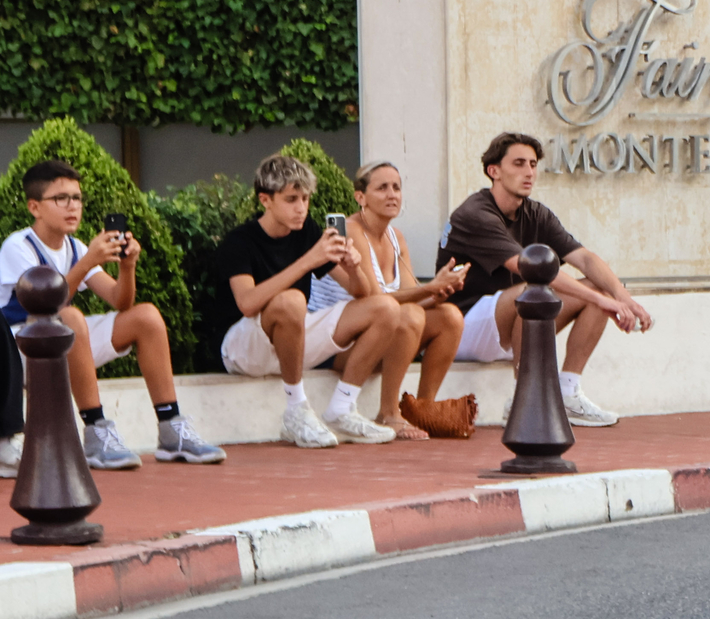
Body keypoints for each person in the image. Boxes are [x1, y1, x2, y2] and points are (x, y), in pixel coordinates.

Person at [0, 160, 224, 469]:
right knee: (71, 317)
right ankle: (96, 432)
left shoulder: (75, 246)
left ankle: (172, 428)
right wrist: (88, 260)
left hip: (62, 344)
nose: (72, 206)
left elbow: (121, 300)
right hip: (17, 353)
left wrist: (126, 266)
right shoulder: (19, 246)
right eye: (61, 199)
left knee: (145, 317)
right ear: (35, 207)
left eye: (77, 198)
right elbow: (46, 302)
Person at [440, 131, 651, 425]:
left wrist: (622, 298)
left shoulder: (535, 213)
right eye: (518, 163)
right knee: (534, 290)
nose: (529, 172)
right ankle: (524, 399)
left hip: (509, 323)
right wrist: (607, 303)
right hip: (460, 326)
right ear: (494, 171)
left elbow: (585, 258)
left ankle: (567, 392)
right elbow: (528, 269)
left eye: (533, 163)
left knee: (594, 285)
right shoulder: (475, 214)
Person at [210, 154, 414, 446]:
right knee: (292, 300)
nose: (301, 208)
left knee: (386, 307)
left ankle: (342, 407)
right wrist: (308, 261)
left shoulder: (306, 232)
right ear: (265, 200)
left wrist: (353, 265)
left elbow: (363, 295)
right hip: (243, 346)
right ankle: (296, 411)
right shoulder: (240, 241)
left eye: (305, 199)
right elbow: (247, 303)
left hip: (292, 339)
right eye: (291, 199)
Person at [330, 161, 466, 438]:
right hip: (341, 346)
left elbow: (409, 300)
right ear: (360, 197)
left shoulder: (396, 237)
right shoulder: (351, 231)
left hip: (382, 334)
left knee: (450, 316)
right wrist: (429, 289)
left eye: (397, 187)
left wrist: (439, 292)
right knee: (409, 314)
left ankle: (423, 409)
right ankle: (389, 413)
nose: (392, 194)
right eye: (382, 188)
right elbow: (375, 300)